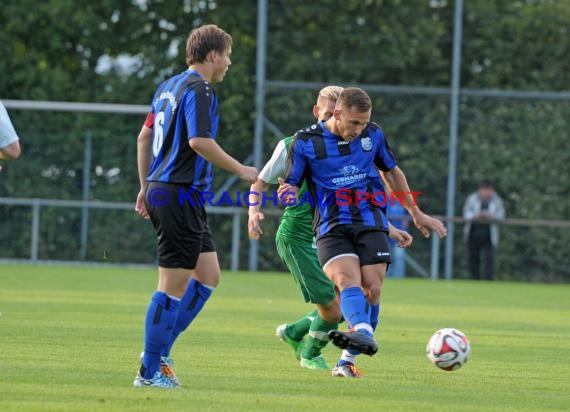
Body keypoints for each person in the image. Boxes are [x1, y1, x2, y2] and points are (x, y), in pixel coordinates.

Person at [279, 87, 447, 377]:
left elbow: (392, 172)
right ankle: (363, 332)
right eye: (354, 123)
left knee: (373, 288)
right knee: (346, 281)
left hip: (370, 220)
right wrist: (288, 195)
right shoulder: (305, 142)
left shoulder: (373, 135)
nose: (359, 129)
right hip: (331, 226)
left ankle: (346, 361)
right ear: (337, 113)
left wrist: (415, 212)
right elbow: (291, 184)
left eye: (364, 122)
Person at [248, 86, 414, 373]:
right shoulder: (294, 145)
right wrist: (254, 211)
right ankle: (311, 354)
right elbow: (261, 181)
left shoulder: (359, 141)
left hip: (337, 231)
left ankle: (298, 332)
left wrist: (387, 227)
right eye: (327, 115)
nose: (351, 130)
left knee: (351, 299)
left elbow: (356, 195)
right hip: (301, 236)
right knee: (334, 308)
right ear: (323, 113)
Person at [134, 24, 258, 388]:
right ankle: (149, 370)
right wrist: (242, 169)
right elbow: (199, 141)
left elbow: (144, 137)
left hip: (167, 190)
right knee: (171, 285)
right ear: (213, 55)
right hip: (177, 192)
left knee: (208, 275)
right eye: (228, 55)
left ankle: (159, 353)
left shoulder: (167, 86)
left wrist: (145, 186)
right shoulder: (199, 88)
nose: (229, 63)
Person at [463, 180, 505, 280]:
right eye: (484, 190)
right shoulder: (472, 199)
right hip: (473, 233)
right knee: (473, 257)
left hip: (489, 234)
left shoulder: (497, 200)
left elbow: (501, 216)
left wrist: (493, 217)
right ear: (480, 190)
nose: (486, 192)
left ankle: (488, 279)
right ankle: (474, 278)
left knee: (489, 258)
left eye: (488, 190)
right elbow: (466, 214)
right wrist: (475, 216)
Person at [386, 196, 411, 278]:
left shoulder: (401, 201)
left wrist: (404, 227)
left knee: (399, 257)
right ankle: (387, 277)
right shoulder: (382, 201)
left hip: (399, 237)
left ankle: (399, 278)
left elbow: (407, 215)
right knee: (386, 258)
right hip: (386, 236)